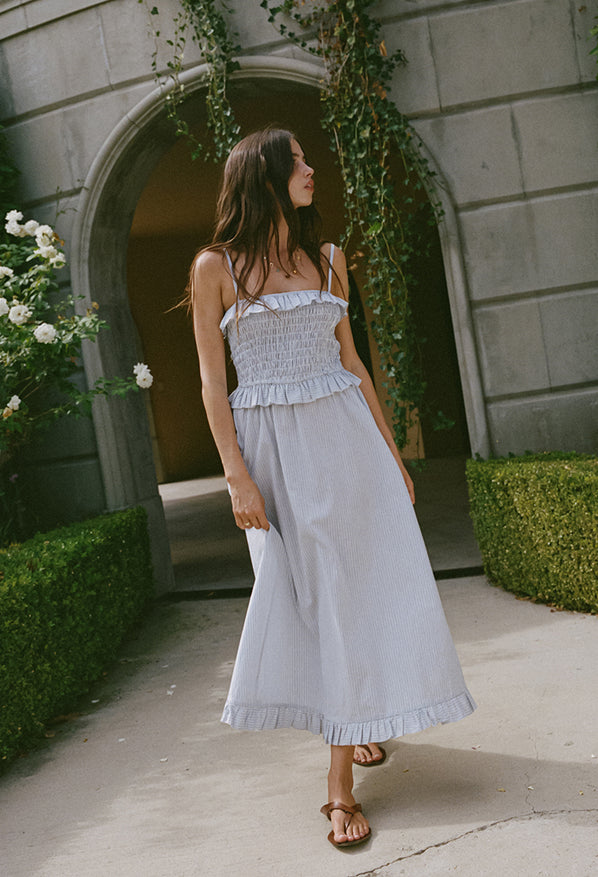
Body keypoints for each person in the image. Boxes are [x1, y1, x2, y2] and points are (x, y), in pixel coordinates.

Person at [189, 127, 476, 849]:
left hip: (346, 445)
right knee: (308, 599)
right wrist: (234, 474)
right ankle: (352, 731)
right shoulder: (214, 267)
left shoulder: (328, 260)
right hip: (275, 459)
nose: (313, 170)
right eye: (300, 162)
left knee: (357, 593)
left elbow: (353, 362)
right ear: (266, 176)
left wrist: (393, 454)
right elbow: (212, 384)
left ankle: (340, 781)